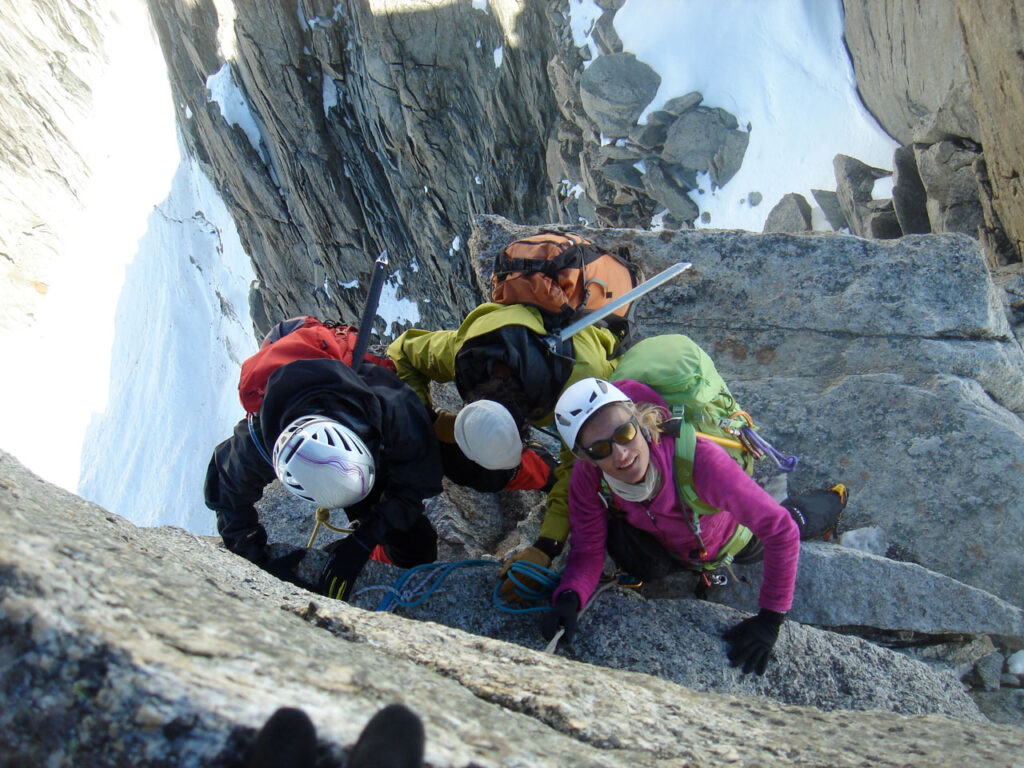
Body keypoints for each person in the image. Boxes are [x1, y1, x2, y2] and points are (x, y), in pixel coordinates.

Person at [543, 377, 807, 676]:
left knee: (794, 520)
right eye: (601, 449)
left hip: (730, 542)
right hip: (668, 550)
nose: (621, 454)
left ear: (638, 421)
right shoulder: (587, 477)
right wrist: (570, 595)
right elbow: (587, 548)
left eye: (625, 433)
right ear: (585, 457)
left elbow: (781, 530)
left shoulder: (700, 461)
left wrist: (771, 618)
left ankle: (829, 501)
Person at [387, 301, 621, 595]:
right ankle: (534, 469)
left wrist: (547, 546)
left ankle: (543, 469)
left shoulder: (576, 386)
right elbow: (403, 350)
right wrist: (427, 419)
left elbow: (579, 473)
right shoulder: (464, 355)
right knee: (467, 466)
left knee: (609, 461)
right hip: (511, 329)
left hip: (594, 333)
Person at [204, 355, 443, 601]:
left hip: (375, 436)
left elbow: (417, 483)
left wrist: (364, 540)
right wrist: (256, 560)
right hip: (349, 443)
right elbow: (225, 491)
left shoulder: (392, 405)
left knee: (417, 545)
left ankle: (369, 551)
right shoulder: (258, 443)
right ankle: (351, 553)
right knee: (410, 544)